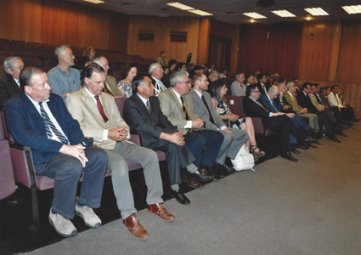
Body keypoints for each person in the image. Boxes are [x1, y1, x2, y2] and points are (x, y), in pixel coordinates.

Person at [66, 63, 175, 239]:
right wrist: (106, 133)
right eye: (98, 82)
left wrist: (123, 130)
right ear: (86, 80)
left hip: (116, 141)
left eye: (103, 82)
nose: (102, 86)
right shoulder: (74, 99)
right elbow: (77, 130)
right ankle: (129, 215)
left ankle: (155, 201)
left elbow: (120, 121)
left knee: (150, 155)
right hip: (95, 146)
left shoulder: (108, 98)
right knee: (120, 165)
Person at [5, 66, 108, 237]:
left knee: (98, 156)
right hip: (44, 155)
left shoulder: (55, 100)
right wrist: (65, 149)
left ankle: (84, 204)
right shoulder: (14, 105)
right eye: (43, 85)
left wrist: (78, 145)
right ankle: (59, 213)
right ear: (28, 89)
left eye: (48, 82)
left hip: (69, 148)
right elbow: (24, 136)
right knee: (71, 165)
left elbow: (71, 124)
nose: (49, 87)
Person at [123, 75, 202, 205]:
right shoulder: (131, 103)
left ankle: (175, 187)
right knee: (173, 142)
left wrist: (175, 132)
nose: (153, 87)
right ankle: (190, 166)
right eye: (150, 84)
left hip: (159, 134)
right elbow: (143, 127)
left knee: (174, 143)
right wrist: (170, 136)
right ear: (140, 88)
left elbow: (163, 119)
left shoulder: (154, 100)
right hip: (143, 138)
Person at [158, 71, 224, 181]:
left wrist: (198, 120)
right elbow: (166, 119)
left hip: (190, 129)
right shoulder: (165, 96)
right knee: (199, 140)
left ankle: (203, 165)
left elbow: (191, 113)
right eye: (187, 82)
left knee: (217, 137)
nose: (190, 84)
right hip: (176, 132)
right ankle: (189, 172)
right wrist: (190, 123)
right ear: (178, 84)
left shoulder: (187, 95)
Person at [186, 74, 249, 171]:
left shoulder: (206, 95)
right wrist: (218, 129)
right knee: (227, 136)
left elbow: (214, 115)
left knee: (243, 134)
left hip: (215, 125)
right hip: (203, 127)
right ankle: (216, 162)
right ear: (198, 82)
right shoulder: (190, 97)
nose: (208, 83)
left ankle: (219, 159)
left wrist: (223, 127)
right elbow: (200, 119)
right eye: (205, 80)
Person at [212, 79, 265, 161]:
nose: (227, 89)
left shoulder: (223, 99)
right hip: (222, 124)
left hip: (230, 121)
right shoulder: (213, 100)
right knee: (245, 126)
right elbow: (213, 117)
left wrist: (234, 116)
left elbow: (229, 112)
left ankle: (249, 151)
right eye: (224, 88)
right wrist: (227, 117)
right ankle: (252, 150)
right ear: (219, 89)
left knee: (248, 119)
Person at [243, 84, 299, 162]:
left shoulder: (258, 101)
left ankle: (286, 150)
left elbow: (267, 110)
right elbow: (258, 113)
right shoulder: (247, 101)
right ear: (251, 92)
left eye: (259, 91)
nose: (259, 93)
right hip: (260, 122)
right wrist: (276, 114)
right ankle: (295, 134)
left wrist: (277, 114)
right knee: (284, 118)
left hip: (268, 119)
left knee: (284, 124)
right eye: (257, 91)